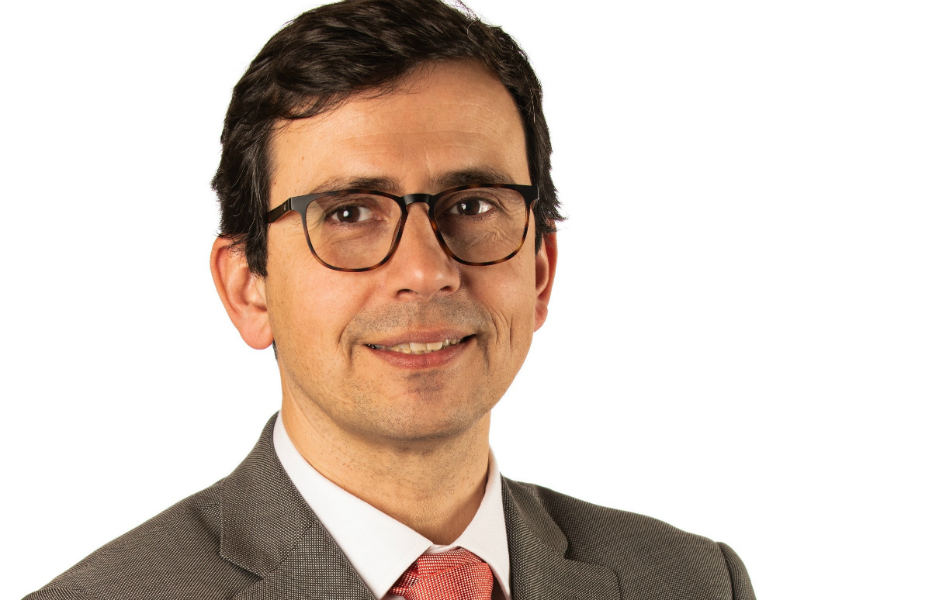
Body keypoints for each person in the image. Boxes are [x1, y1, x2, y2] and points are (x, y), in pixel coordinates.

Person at [25, 0, 755, 598]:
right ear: (249, 289)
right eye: (349, 213)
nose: (426, 270)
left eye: (472, 205)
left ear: (540, 270)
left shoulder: (694, 583)